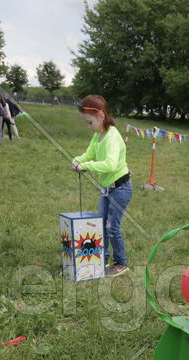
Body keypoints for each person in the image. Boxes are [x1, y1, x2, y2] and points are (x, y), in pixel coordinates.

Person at [71, 94, 132, 277]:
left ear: (100, 116)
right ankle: (102, 258)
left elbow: (110, 164)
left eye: (90, 122)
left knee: (112, 226)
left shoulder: (112, 137)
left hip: (120, 189)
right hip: (106, 189)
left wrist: (86, 166)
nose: (88, 126)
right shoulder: (98, 136)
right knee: (100, 224)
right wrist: (77, 160)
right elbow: (89, 154)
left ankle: (121, 262)